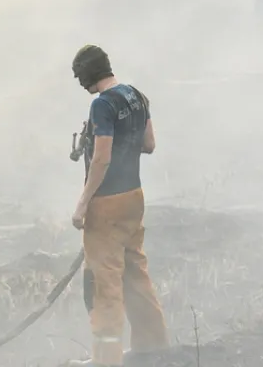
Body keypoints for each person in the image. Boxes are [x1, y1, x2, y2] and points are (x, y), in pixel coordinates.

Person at [65, 45, 169, 367]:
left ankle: (105, 361)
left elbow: (101, 158)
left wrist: (82, 205)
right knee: (136, 273)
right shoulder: (136, 96)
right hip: (133, 198)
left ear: (86, 75)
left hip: (106, 206)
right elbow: (149, 145)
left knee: (103, 284)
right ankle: (153, 347)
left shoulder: (102, 106)